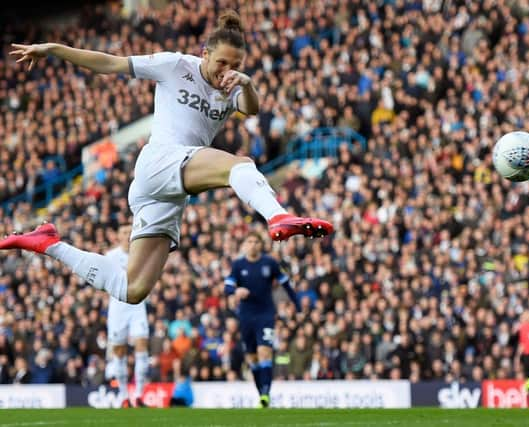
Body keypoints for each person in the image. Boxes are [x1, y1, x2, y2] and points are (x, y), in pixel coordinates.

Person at [1, 10, 333, 306]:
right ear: (204, 54)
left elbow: (252, 107)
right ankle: (277, 216)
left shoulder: (233, 89)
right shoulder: (175, 65)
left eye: (236, 66)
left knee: (132, 290)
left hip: (168, 192)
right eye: (221, 62)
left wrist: (244, 82)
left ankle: (48, 243)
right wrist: (55, 50)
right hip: (160, 162)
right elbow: (111, 63)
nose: (227, 71)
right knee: (241, 165)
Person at [224, 231, 300, 408]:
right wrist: (236, 291)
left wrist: (297, 305)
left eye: (255, 241)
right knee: (252, 357)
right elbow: (227, 287)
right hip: (245, 316)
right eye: (249, 241)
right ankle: (262, 395)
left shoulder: (269, 263)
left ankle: (266, 393)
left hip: (265, 314)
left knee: (264, 351)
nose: (252, 244)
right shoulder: (238, 265)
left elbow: (286, 284)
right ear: (244, 245)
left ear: (260, 244)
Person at [105, 224, 149, 408]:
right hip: (118, 308)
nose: (127, 235)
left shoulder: (141, 254)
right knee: (119, 352)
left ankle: (138, 395)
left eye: (129, 232)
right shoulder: (110, 256)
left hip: (138, 306)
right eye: (123, 232)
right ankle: (124, 396)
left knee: (142, 346)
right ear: (117, 235)